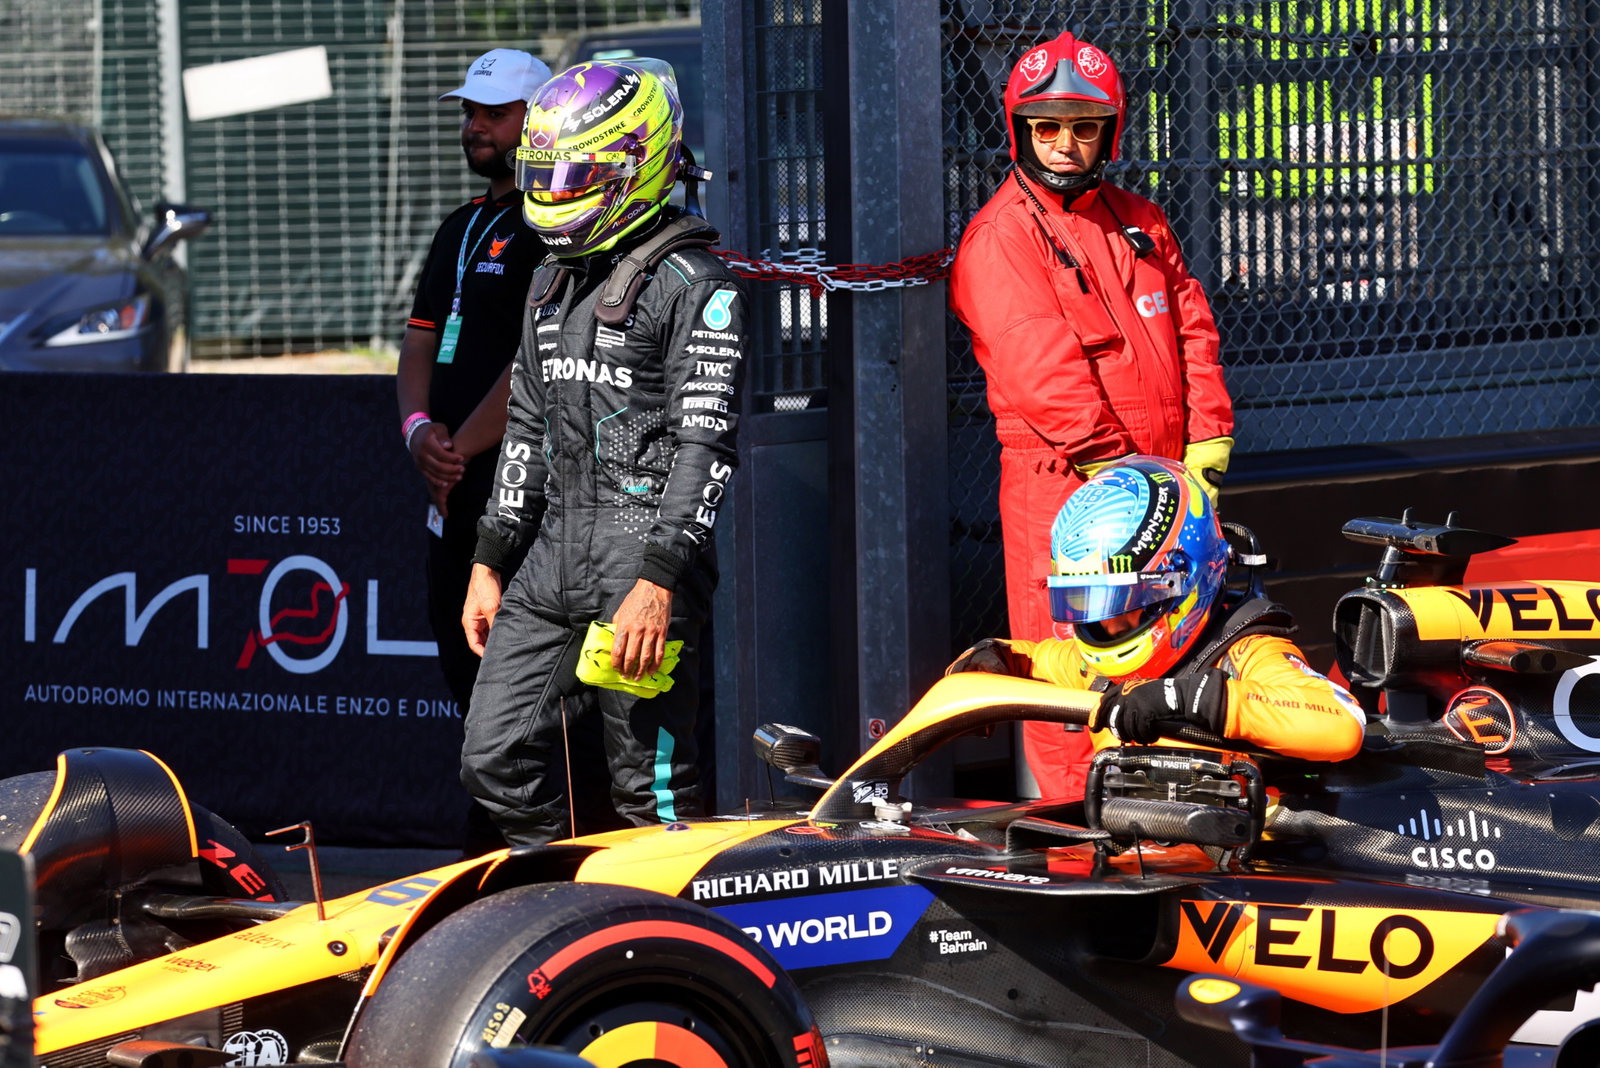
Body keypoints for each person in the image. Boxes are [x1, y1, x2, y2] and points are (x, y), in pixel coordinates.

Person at [459, 59, 747, 845]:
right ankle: (568, 891)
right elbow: (526, 423)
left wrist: (658, 582)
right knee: (492, 757)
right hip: (551, 556)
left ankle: (672, 921)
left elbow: (706, 445)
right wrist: (490, 557)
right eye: (544, 174)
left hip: (643, 563)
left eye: (573, 175)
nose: (554, 193)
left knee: (651, 795)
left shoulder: (696, 283)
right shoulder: (550, 279)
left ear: (635, 164)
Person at [947, 31, 1236, 797]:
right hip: (1071, 492)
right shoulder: (1002, 237)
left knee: (1172, 668)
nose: (1065, 143)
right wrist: (1123, 474)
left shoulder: (1139, 219)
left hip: (1160, 483)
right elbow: (1041, 370)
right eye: (1047, 126)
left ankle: (1169, 828)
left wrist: (1208, 436)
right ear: (1020, 130)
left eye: (1084, 126)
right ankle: (1078, 838)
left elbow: (1194, 328)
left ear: (1110, 131)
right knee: (1076, 679)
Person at [949, 457, 1364, 784]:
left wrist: (1189, 698)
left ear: (1181, 582)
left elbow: (1342, 724)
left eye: (1122, 602)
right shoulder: (1092, 664)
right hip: (1136, 845)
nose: (1106, 625)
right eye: (1085, 603)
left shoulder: (1247, 652)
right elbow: (1031, 660)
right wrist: (989, 660)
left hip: (1250, 855)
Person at [396, 47, 550, 852]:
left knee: (521, 686)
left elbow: (539, 359)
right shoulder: (459, 225)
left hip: (519, 498)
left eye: (495, 112)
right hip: (450, 493)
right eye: (470, 112)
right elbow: (419, 343)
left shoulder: (555, 224)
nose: (475, 126)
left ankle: (513, 847)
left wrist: (458, 445)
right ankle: (490, 838)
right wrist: (418, 432)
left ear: (537, 118)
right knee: (462, 671)